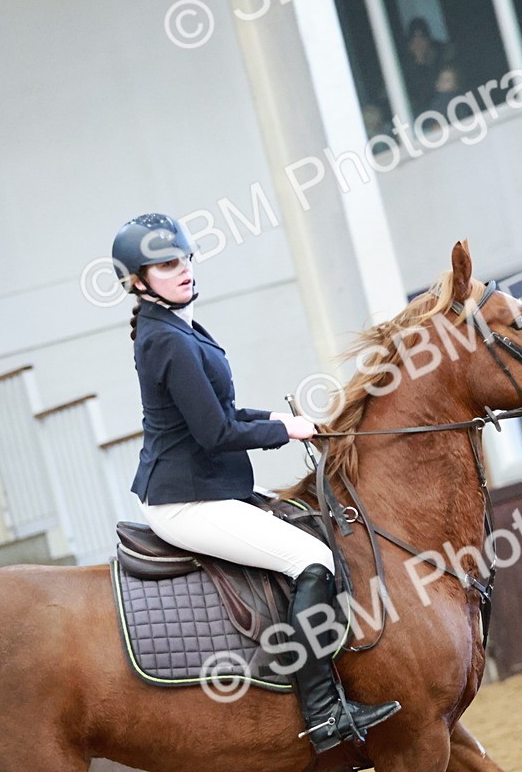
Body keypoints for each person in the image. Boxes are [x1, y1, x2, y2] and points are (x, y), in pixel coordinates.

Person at [111, 213, 400, 753]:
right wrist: (282, 430)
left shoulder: (178, 326)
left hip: (208, 486)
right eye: (169, 265)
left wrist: (291, 423)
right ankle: (323, 715)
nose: (184, 271)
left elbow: (219, 409)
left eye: (187, 258)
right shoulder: (167, 339)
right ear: (137, 280)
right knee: (312, 561)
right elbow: (217, 431)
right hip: (187, 501)